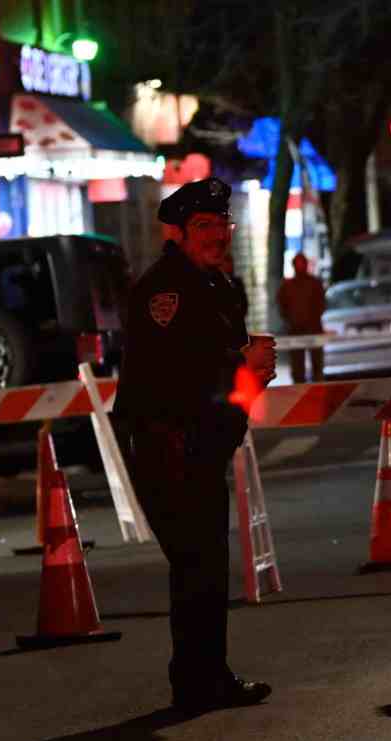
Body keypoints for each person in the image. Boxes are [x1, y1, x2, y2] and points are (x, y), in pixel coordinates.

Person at [114, 177, 277, 713]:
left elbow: (222, 371)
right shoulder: (165, 291)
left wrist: (250, 376)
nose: (217, 236)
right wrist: (242, 368)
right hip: (170, 443)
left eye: (222, 225)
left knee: (206, 565)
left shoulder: (218, 287)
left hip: (204, 442)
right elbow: (174, 374)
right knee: (195, 565)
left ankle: (208, 675)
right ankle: (196, 681)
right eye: (204, 226)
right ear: (180, 233)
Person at [277, 252, 326, 383]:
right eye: (297, 263)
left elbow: (321, 303)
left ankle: (318, 389)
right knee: (297, 366)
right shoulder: (287, 286)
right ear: (293, 266)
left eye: (302, 263)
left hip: (314, 329)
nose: (300, 266)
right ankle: (298, 389)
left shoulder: (315, 283)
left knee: (317, 365)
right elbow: (282, 305)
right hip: (295, 330)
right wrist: (290, 320)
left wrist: (313, 319)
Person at [220, 252, 249, 322]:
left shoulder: (237, 282)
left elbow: (244, 304)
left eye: (230, 262)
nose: (230, 265)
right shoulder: (216, 283)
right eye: (226, 262)